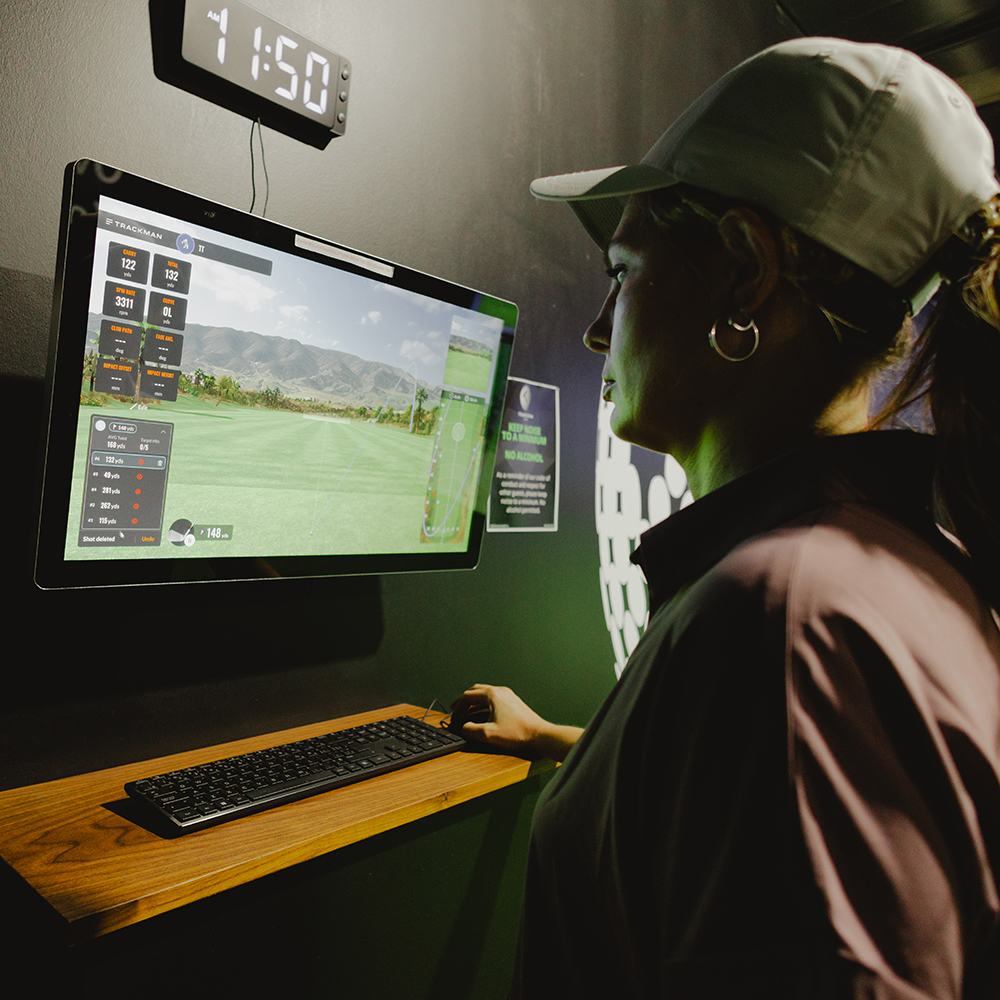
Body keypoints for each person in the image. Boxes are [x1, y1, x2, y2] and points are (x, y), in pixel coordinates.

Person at [449, 38, 1000, 998]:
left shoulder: (782, 618)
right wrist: (559, 743)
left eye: (623, 269)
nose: (595, 326)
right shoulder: (880, 571)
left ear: (746, 269)